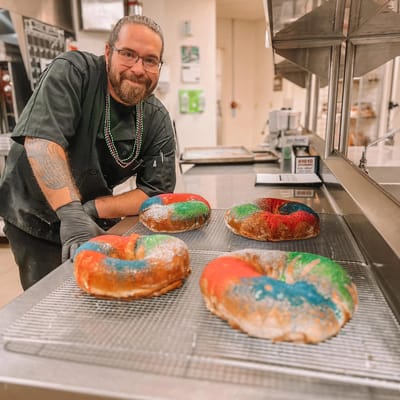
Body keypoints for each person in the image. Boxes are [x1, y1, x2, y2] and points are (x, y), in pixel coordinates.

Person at [0, 15, 177, 290]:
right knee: (53, 301)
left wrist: (92, 209)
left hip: (87, 215)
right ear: (108, 52)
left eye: (150, 60)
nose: (138, 69)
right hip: (34, 213)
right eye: (128, 54)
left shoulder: (156, 118)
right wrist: (71, 214)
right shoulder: (73, 72)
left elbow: (156, 192)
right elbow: (43, 141)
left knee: (95, 296)